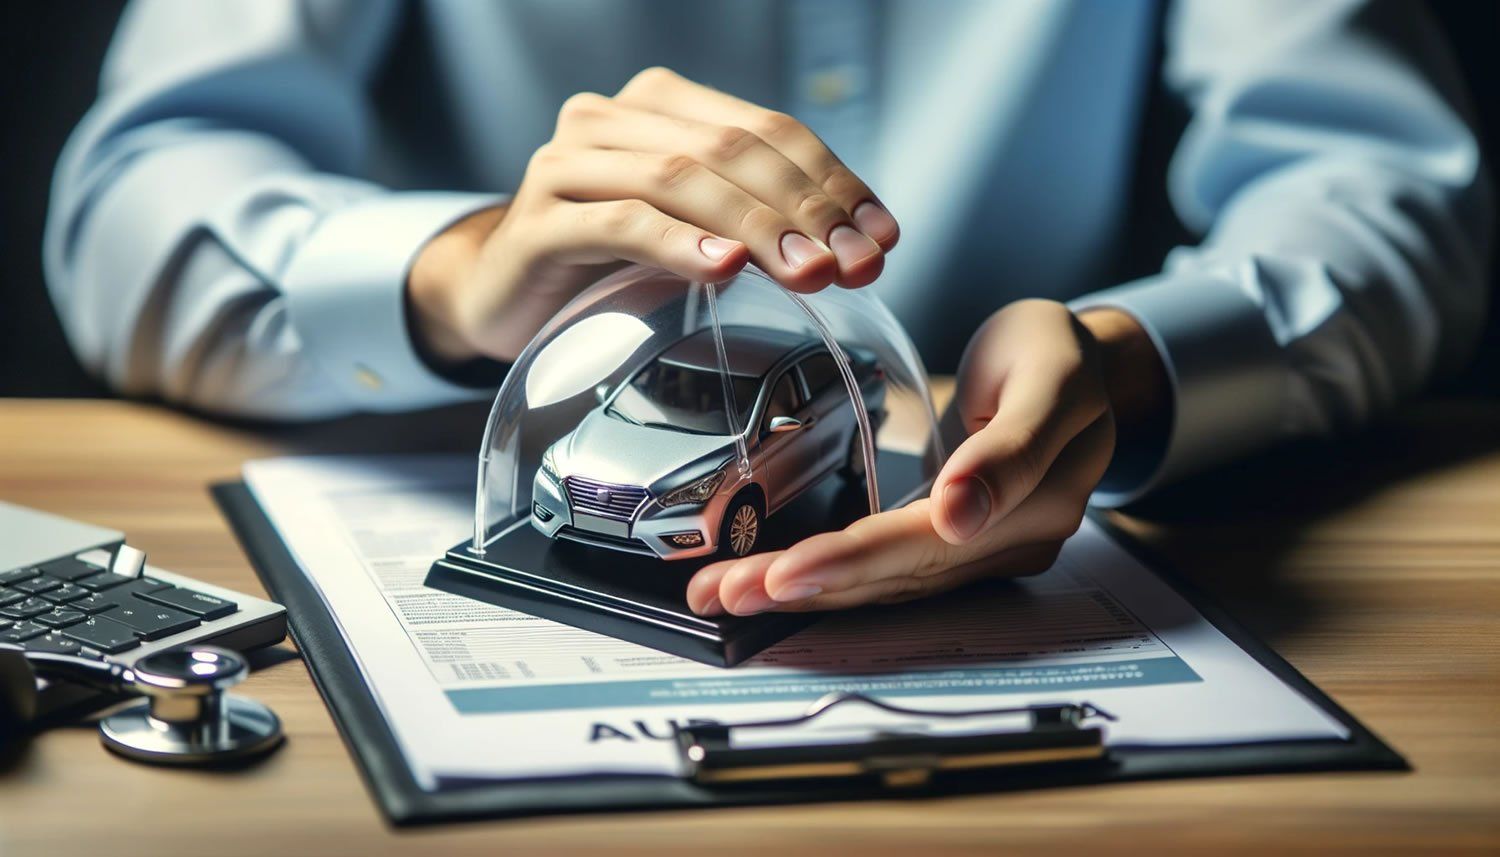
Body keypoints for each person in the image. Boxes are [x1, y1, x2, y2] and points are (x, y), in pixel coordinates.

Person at [46, 1, 1491, 618]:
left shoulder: (789, 429)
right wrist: (459, 273)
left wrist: (1126, 366)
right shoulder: (614, 455)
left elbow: (1378, 181)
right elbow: (132, 197)